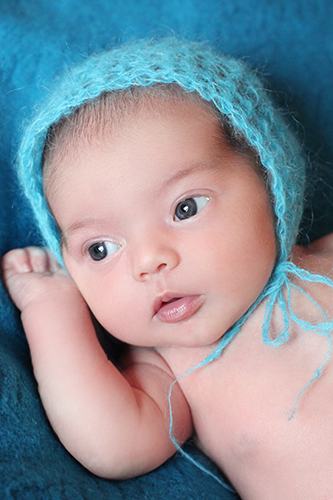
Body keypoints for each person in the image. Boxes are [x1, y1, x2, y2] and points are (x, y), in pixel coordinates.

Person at [2, 39, 333, 499]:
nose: (148, 261)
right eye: (100, 249)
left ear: (269, 175)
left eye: (184, 208)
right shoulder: (171, 370)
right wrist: (52, 309)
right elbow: (112, 444)